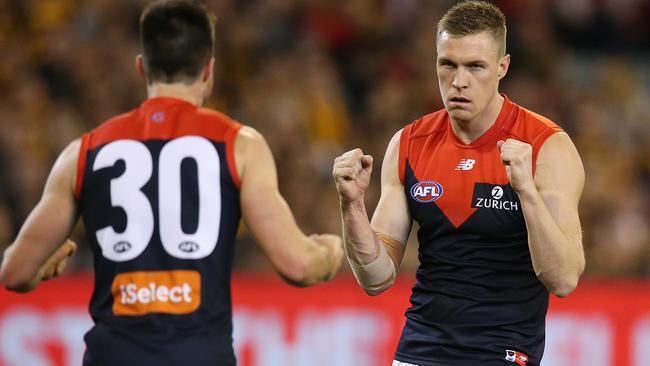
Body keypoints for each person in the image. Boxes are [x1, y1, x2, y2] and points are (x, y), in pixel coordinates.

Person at [0, 1, 343, 365]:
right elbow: (298, 266)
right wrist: (329, 253)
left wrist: (38, 270)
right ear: (209, 70)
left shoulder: (82, 153)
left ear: (141, 67)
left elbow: (14, 272)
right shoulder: (240, 146)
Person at [332, 1, 585, 365]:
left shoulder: (547, 147)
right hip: (419, 351)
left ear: (502, 67)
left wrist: (526, 192)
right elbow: (376, 279)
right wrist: (352, 206)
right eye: (447, 64)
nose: (459, 81)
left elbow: (563, 279)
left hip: (503, 354)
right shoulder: (409, 144)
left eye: (475, 67)